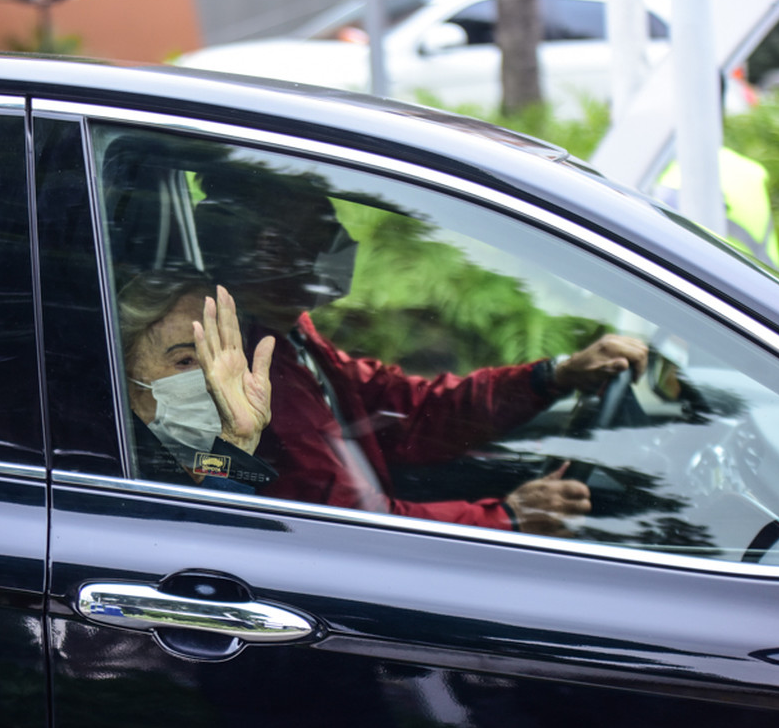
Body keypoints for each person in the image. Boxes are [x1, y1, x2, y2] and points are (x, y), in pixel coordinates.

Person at [193, 182, 647, 535]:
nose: (342, 241)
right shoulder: (259, 371)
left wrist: (551, 376)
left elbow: (403, 408)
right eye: (321, 226)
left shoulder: (289, 333)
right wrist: (507, 518)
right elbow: (356, 526)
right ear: (269, 250)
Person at [118, 270, 278, 494]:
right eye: (185, 361)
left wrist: (236, 443)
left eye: (218, 356)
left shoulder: (197, 461)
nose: (214, 377)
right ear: (127, 381)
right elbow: (203, 526)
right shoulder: (114, 475)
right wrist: (234, 448)